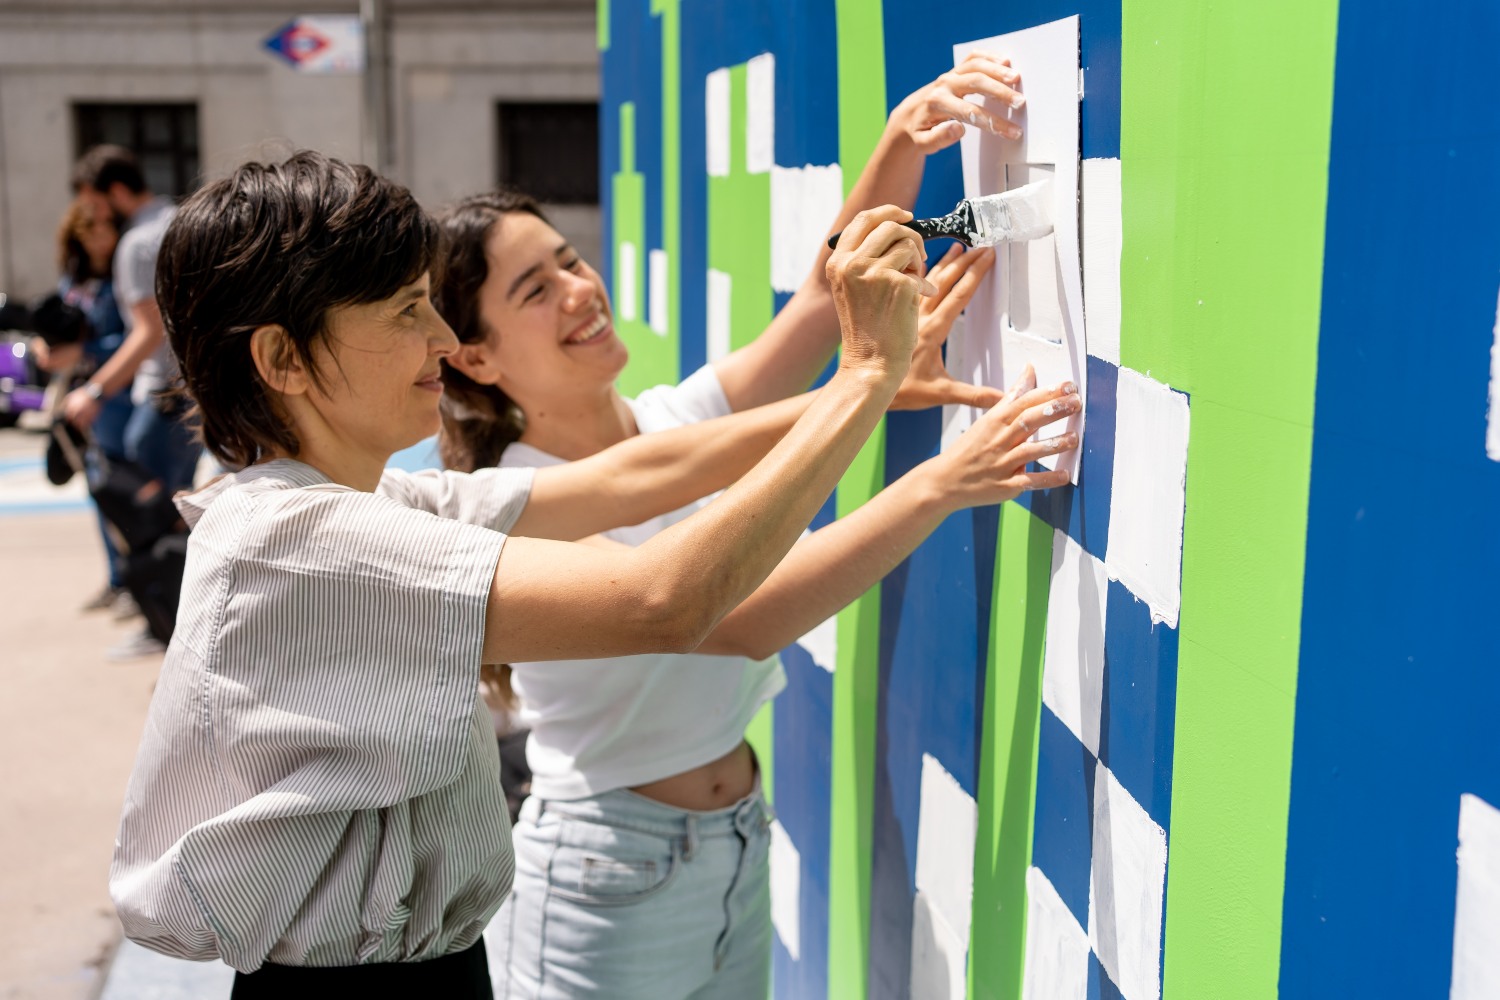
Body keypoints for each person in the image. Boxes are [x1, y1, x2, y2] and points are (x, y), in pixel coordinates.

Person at [108, 149, 1010, 996]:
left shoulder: (368, 503)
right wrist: (862, 381)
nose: (442, 340)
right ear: (282, 359)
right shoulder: (310, 540)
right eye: (403, 313)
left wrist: (869, 385)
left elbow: (635, 474)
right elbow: (667, 600)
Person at [435, 56, 1076, 998]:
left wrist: (904, 139)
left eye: (568, 259)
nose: (579, 288)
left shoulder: (670, 419)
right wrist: (937, 483)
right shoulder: (519, 504)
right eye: (534, 290)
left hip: (732, 840)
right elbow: (735, 618)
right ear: (476, 359)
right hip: (606, 880)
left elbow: (825, 305)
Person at [64, 145, 202, 658]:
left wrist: (95, 389)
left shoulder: (140, 241)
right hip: (190, 392)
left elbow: (148, 331)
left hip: (163, 395)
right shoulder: (182, 222)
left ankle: (168, 625)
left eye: (95, 205)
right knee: (175, 511)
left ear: (118, 193)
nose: (91, 216)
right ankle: (176, 620)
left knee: (152, 518)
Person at [32, 197, 137, 616]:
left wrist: (83, 350)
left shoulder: (124, 274)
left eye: (107, 228)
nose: (100, 239)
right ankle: (117, 578)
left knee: (121, 487)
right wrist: (47, 345)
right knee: (97, 489)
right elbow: (57, 322)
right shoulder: (73, 277)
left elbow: (138, 337)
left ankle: (138, 579)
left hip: (114, 394)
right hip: (78, 397)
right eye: (90, 230)